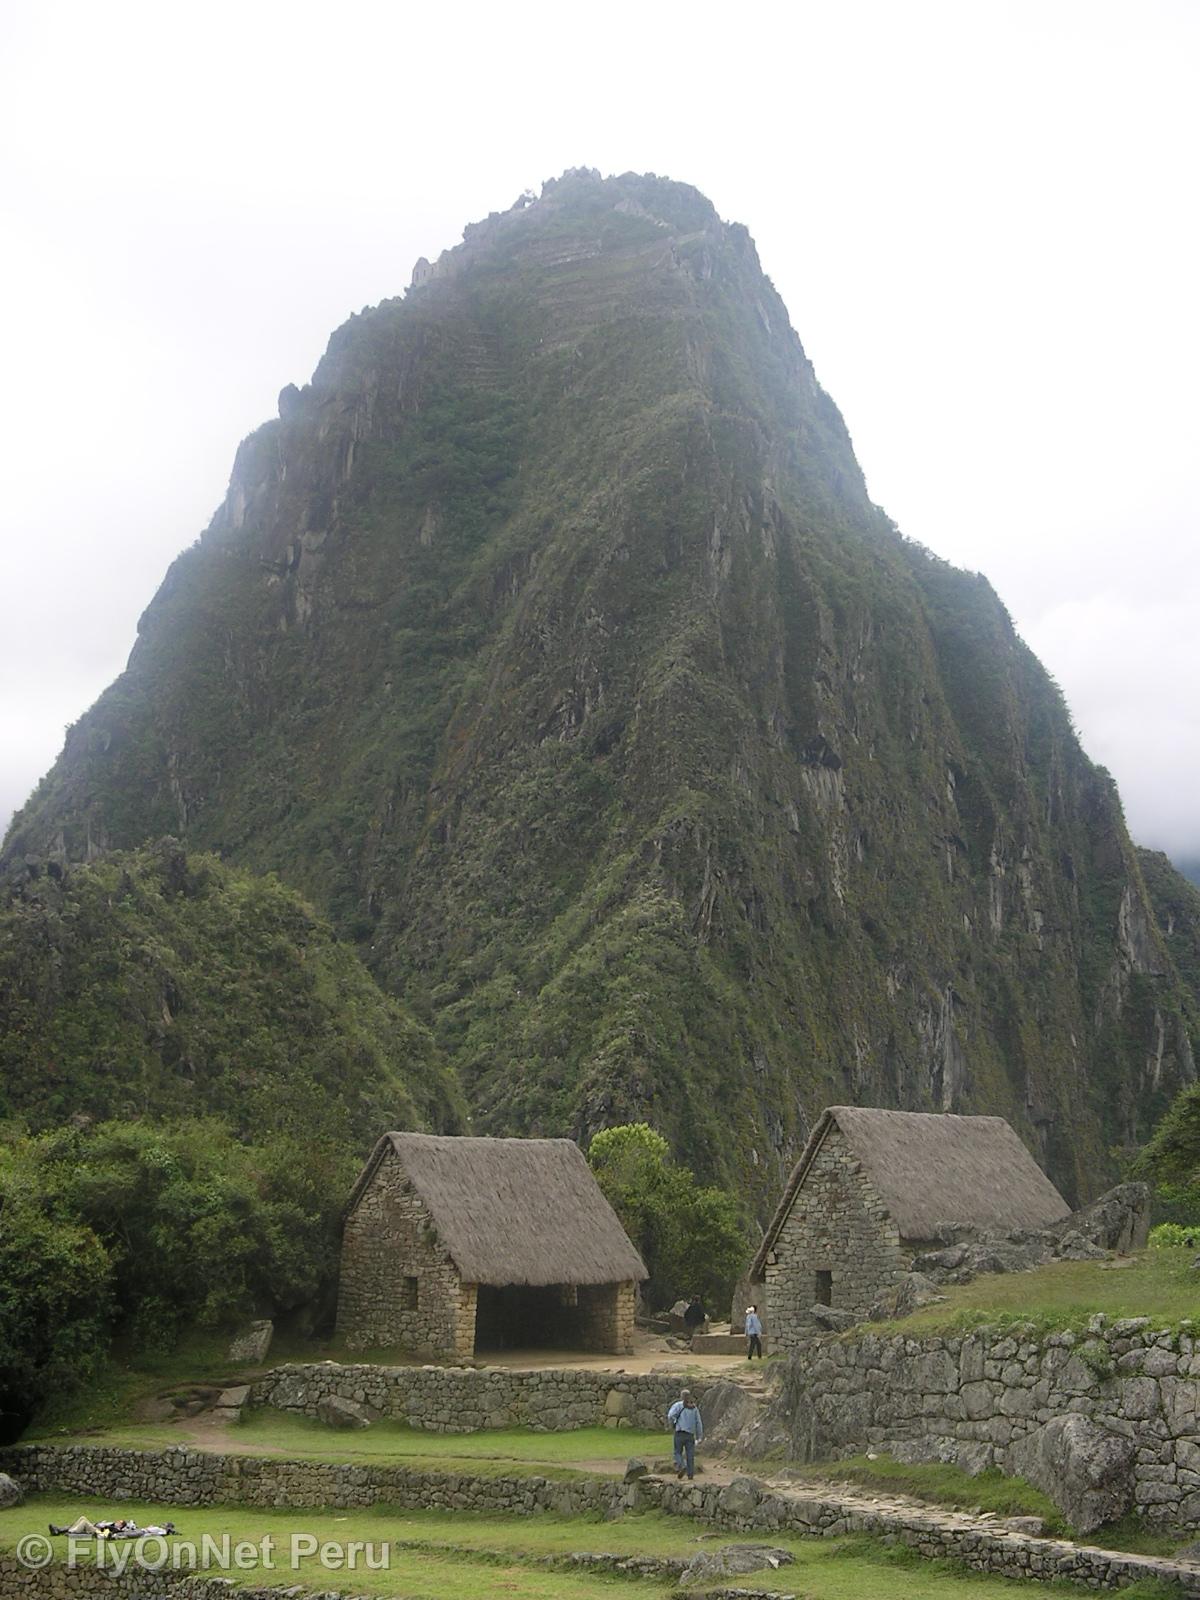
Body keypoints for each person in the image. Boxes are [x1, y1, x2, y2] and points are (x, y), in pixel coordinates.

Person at [667, 1387, 703, 1479]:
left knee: (677, 1452)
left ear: (681, 1396)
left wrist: (674, 1422)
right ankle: (690, 1475)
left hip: (679, 1432)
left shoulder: (678, 1405)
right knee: (690, 1454)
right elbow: (698, 1422)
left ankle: (682, 1465)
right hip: (690, 1434)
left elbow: (670, 1415)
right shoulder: (694, 1408)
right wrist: (699, 1436)